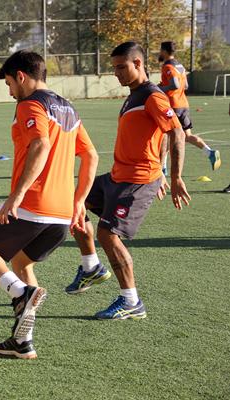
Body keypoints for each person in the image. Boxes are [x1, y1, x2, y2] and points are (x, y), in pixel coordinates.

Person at [0, 51, 98, 359]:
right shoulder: (68, 109)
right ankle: (23, 340)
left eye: (9, 83)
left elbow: (40, 143)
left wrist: (18, 194)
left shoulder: (30, 104)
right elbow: (91, 156)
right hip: (62, 214)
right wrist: (78, 203)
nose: (10, 91)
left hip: (33, 204)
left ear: (21, 76)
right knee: (22, 264)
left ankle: (20, 293)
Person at [66, 41, 191, 320]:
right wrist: (160, 168)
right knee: (74, 203)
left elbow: (176, 133)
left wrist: (173, 176)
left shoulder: (152, 96)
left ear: (138, 64)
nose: (117, 73)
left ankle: (131, 301)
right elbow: (157, 136)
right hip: (117, 176)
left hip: (136, 181)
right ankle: (91, 268)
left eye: (122, 67)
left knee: (107, 234)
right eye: (114, 68)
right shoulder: (133, 95)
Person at [158, 41, 220, 172]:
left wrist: (160, 88)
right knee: (186, 136)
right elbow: (185, 86)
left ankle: (162, 168)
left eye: (160, 50)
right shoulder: (180, 66)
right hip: (183, 105)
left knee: (166, 137)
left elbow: (174, 85)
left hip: (173, 106)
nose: (159, 52)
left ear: (164, 51)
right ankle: (210, 153)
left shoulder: (167, 66)